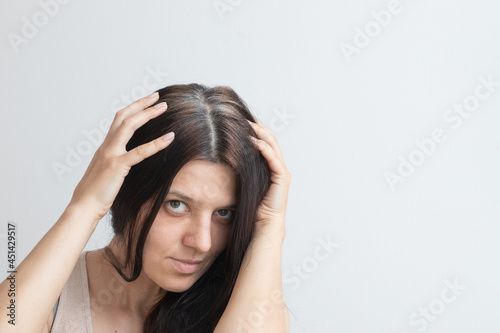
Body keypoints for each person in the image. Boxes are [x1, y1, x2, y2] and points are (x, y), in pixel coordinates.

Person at [0, 83, 291, 332]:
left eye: (224, 213)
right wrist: (85, 205)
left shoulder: (244, 305)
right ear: (125, 191)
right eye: (177, 205)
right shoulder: (53, 298)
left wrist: (270, 225)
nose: (202, 243)